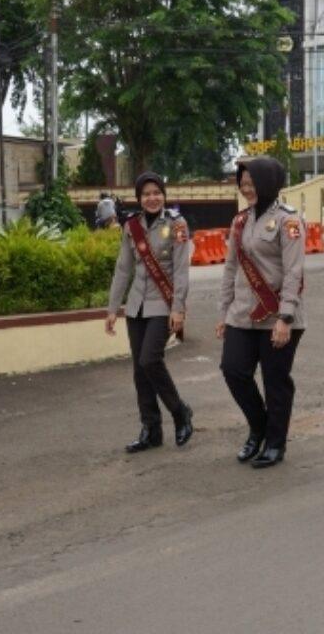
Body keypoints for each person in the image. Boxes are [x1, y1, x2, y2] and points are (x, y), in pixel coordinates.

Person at [216, 156, 306, 469]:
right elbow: (230, 268)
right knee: (233, 370)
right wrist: (223, 311)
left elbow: (294, 272)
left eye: (252, 184)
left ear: (268, 183)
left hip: (278, 314)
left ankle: (275, 443)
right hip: (241, 313)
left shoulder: (288, 220)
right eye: (242, 185)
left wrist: (285, 318)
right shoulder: (239, 221)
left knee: (275, 381)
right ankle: (259, 428)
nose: (247, 190)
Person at [106, 172, 194, 452]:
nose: (152, 198)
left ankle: (180, 412)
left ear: (164, 195)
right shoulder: (131, 226)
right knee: (139, 371)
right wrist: (112, 309)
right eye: (146, 194)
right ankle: (151, 430)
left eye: (157, 192)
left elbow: (181, 270)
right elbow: (123, 269)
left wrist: (178, 308)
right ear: (139, 198)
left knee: (149, 360)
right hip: (136, 306)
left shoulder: (177, 224)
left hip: (163, 304)